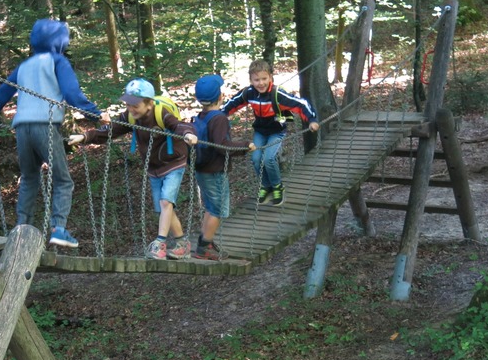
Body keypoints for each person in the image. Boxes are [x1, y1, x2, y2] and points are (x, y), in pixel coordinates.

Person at [0, 19, 107, 249]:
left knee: (29, 178)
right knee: (63, 179)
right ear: (59, 41)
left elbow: (3, 94)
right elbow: (72, 94)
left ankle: (21, 229)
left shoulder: (24, 66)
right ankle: (59, 229)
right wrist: (96, 115)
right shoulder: (58, 61)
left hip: (22, 129)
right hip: (44, 126)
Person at [71, 78, 197, 260]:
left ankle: (159, 243)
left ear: (149, 103)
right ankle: (182, 243)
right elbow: (110, 130)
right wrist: (84, 137)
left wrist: (188, 134)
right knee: (162, 208)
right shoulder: (130, 117)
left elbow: (180, 125)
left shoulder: (162, 112)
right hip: (154, 166)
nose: (131, 108)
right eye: (128, 104)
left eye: (135, 105)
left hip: (174, 161)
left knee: (165, 202)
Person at [221, 59, 320, 206]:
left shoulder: (277, 94)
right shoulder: (249, 93)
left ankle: (277, 186)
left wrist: (312, 119)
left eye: (264, 79)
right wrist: (218, 116)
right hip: (260, 131)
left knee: (268, 159)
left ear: (270, 78)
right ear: (251, 80)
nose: (260, 83)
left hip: (276, 131)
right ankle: (266, 186)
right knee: (255, 158)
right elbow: (233, 103)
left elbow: (300, 104)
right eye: (256, 80)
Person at [190, 74, 255, 261]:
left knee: (210, 207)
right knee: (217, 209)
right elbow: (222, 146)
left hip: (202, 169)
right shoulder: (218, 118)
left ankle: (206, 242)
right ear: (220, 96)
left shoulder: (200, 116)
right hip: (214, 171)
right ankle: (204, 248)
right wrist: (245, 145)